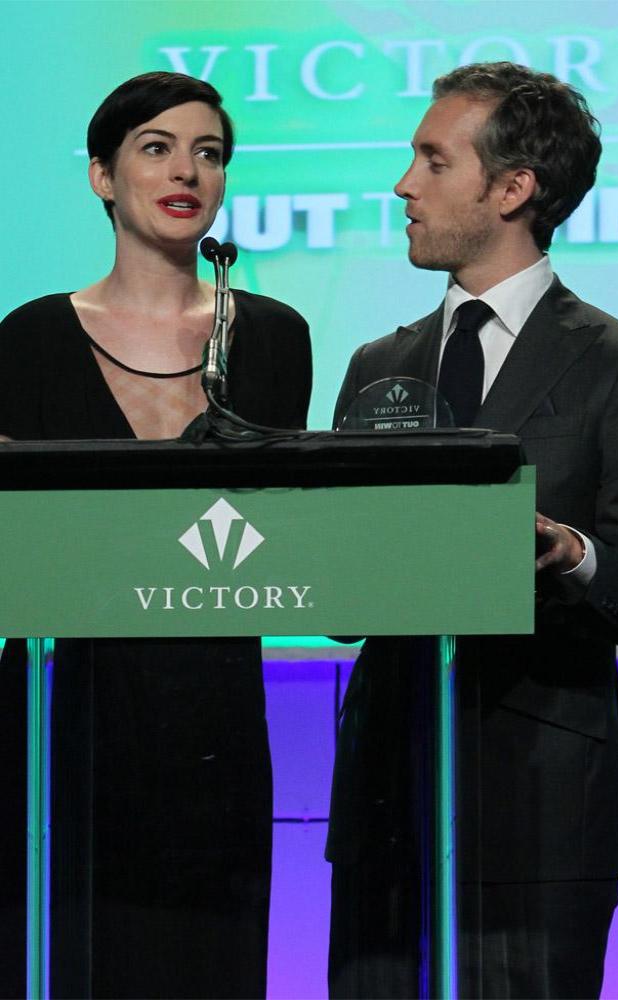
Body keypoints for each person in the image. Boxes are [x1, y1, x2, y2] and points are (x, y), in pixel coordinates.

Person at [327, 62, 618, 1000]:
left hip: (542, 810)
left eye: (433, 162)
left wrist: (575, 553)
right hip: (385, 801)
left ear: (513, 189)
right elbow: (345, 601)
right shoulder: (375, 364)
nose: (404, 186)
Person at [0, 71, 311, 998]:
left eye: (209, 153)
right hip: (68, 713)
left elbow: (282, 529)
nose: (188, 171)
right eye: (156, 147)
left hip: (216, 716)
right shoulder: (27, 341)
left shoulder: (273, 337)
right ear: (102, 175)